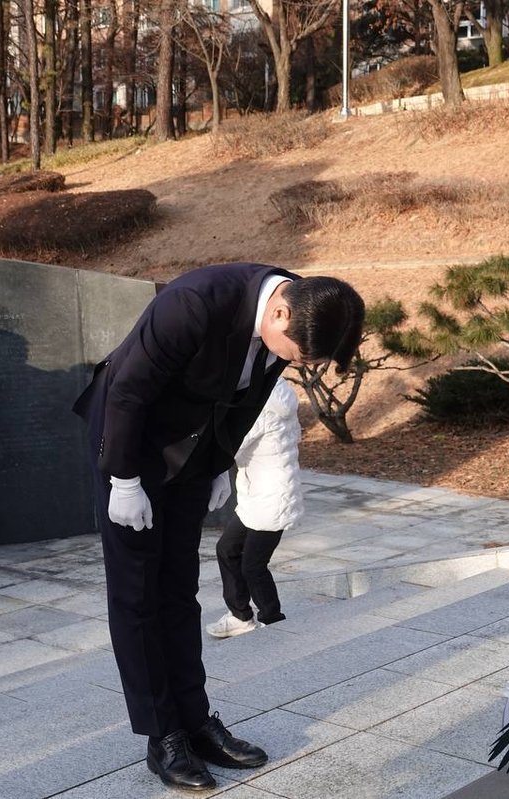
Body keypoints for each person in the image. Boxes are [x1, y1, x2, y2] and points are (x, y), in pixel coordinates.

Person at [73, 263, 364, 792]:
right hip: (129, 443)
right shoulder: (193, 304)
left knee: (179, 590)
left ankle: (195, 720)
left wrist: (217, 467)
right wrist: (123, 479)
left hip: (194, 452)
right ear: (279, 313)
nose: (297, 364)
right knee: (138, 595)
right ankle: (162, 735)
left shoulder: (301, 306)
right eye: (299, 355)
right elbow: (127, 394)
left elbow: (244, 400)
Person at [206, 377, 303, 639]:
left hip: (273, 499)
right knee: (227, 549)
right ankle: (240, 616)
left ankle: (273, 621)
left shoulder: (262, 408)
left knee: (253, 565)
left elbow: (232, 446)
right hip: (259, 496)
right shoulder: (278, 393)